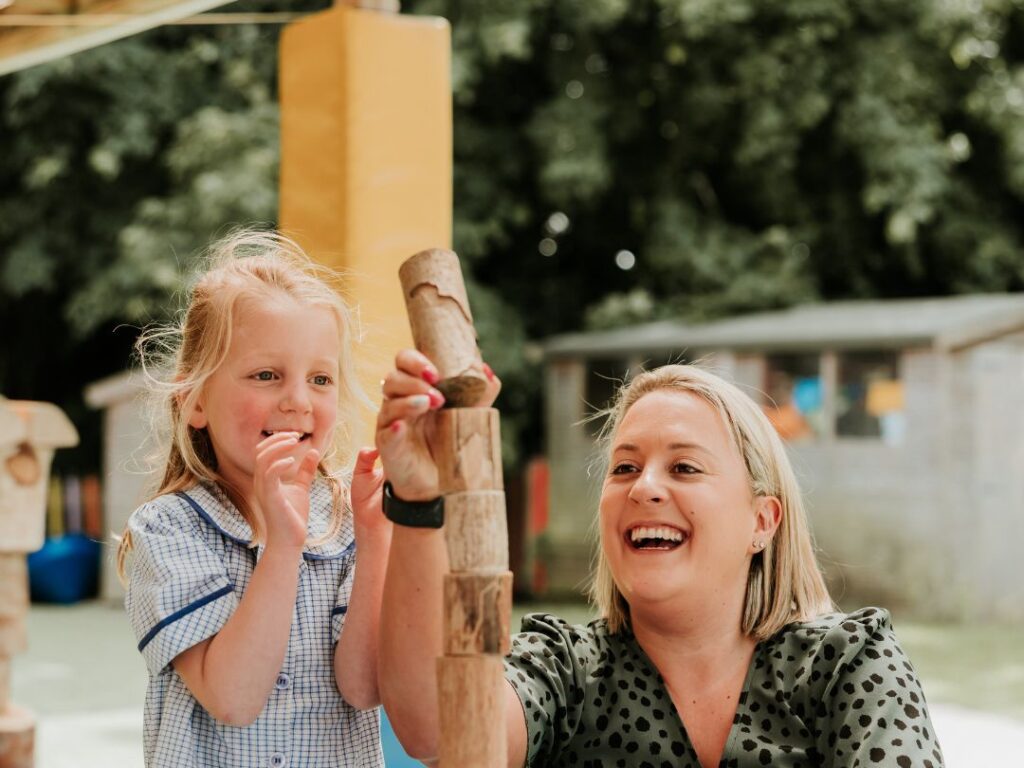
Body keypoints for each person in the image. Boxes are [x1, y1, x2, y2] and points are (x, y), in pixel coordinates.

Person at [375, 352, 944, 767]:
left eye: (684, 467)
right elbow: (438, 733)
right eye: (624, 467)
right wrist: (420, 498)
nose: (643, 487)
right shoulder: (567, 670)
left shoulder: (846, 665)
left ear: (761, 521)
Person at [118, 230, 391, 767]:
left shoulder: (344, 521)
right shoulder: (167, 530)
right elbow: (234, 698)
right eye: (266, 375)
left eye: (320, 378)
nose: (297, 401)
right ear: (194, 400)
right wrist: (283, 544)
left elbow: (364, 688)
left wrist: (377, 537)